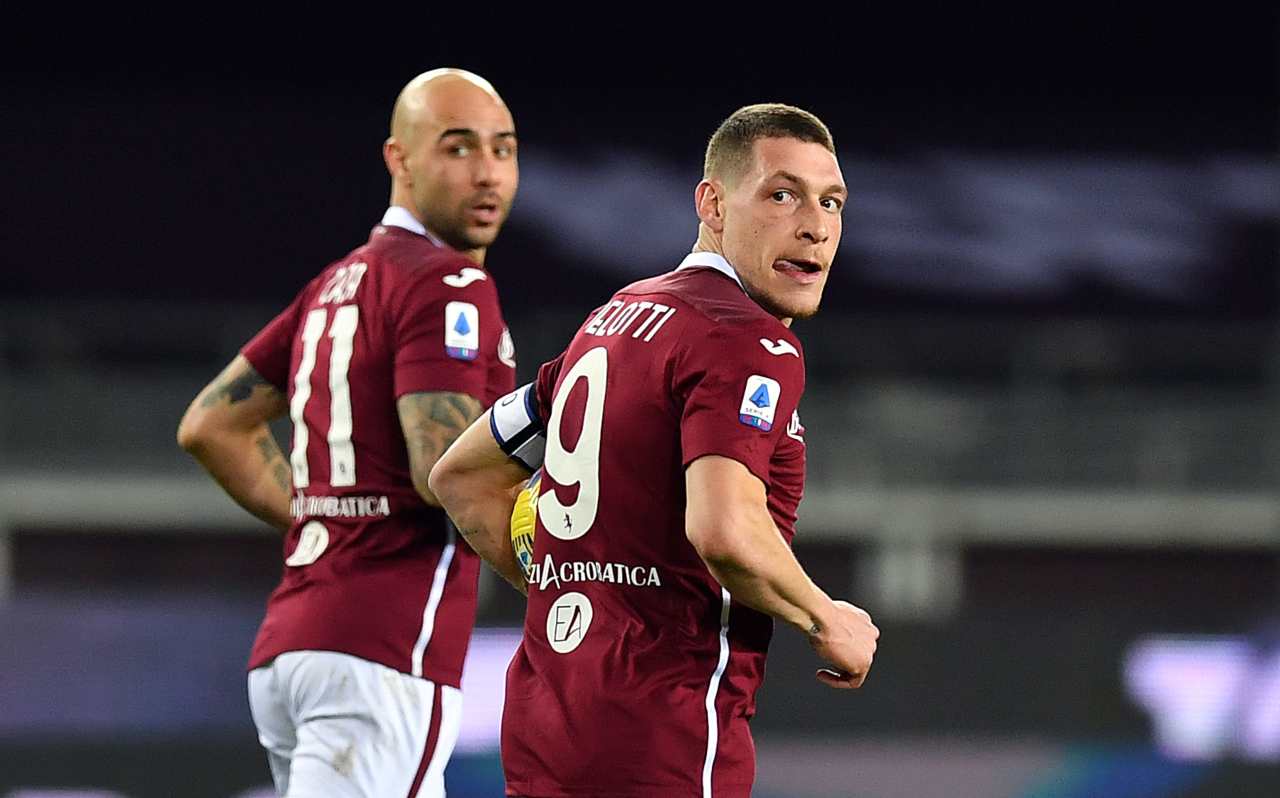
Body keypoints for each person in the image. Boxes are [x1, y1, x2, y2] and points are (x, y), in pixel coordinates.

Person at [429, 103, 879, 798]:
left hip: (547, 727)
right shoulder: (749, 341)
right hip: (661, 736)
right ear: (712, 203)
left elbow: (460, 476)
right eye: (781, 195)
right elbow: (723, 529)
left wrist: (564, 584)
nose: (815, 226)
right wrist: (827, 617)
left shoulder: (613, 321)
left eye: (831, 202)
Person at [176, 68, 519, 798]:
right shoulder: (450, 283)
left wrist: (323, 513)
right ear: (399, 159)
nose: (488, 172)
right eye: (459, 149)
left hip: (297, 648)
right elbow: (443, 471)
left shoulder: (340, 281)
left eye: (504, 148)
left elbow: (212, 423)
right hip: (382, 650)